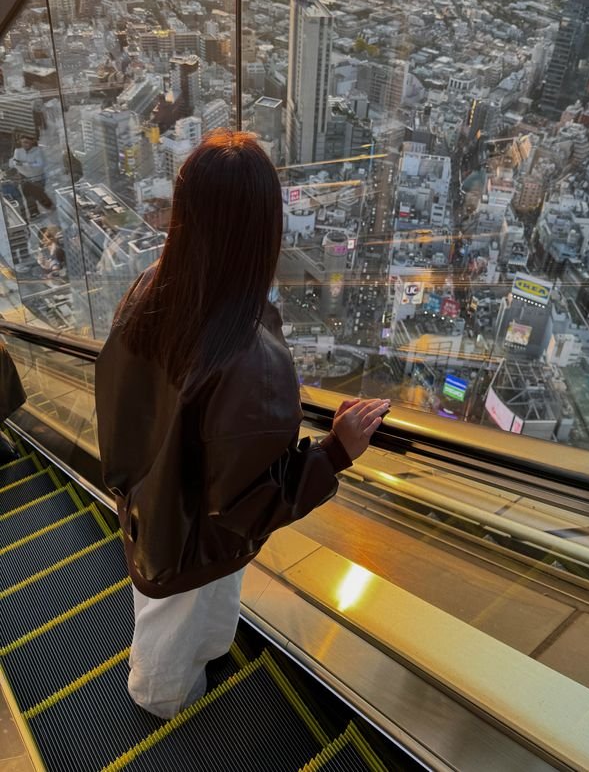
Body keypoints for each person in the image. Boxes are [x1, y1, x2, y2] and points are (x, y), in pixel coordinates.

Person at [95, 131, 389, 720]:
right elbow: (250, 503)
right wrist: (333, 455)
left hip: (149, 499)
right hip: (193, 532)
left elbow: (118, 393)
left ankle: (190, 667)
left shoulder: (151, 289)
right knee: (175, 623)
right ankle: (159, 700)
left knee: (181, 608)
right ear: (262, 231)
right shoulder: (248, 356)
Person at [9, 134, 53, 218]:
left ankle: (50, 209)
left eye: (26, 142)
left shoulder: (37, 151)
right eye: (22, 142)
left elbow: (40, 164)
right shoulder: (18, 151)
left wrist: (23, 164)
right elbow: (15, 164)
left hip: (37, 178)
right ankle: (34, 213)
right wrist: (29, 165)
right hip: (24, 178)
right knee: (28, 197)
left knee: (40, 195)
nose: (24, 144)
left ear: (32, 142)